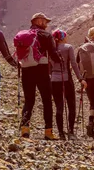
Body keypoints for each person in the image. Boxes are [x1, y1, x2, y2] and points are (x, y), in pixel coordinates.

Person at [16, 12, 61, 140]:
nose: (46, 24)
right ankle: (48, 132)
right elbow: (53, 53)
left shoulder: (24, 36)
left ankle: (24, 130)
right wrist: (60, 60)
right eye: (45, 21)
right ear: (39, 21)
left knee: (29, 100)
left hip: (26, 70)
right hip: (41, 69)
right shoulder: (46, 35)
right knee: (46, 100)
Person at [50, 29, 87, 140]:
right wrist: (80, 79)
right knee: (71, 105)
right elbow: (74, 64)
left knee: (59, 106)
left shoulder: (51, 49)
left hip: (54, 80)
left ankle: (61, 133)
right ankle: (71, 132)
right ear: (62, 37)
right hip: (66, 79)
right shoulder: (68, 47)